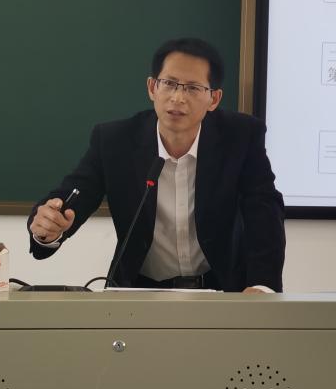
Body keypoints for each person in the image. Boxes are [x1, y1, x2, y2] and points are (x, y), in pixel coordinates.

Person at [28, 37, 285, 292]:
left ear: (214, 99)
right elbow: (74, 194)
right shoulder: (115, 142)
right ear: (152, 88)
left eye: (193, 88)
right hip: (139, 291)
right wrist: (48, 228)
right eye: (169, 84)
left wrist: (261, 286)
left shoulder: (240, 137)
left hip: (222, 289)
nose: (178, 97)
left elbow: (264, 212)